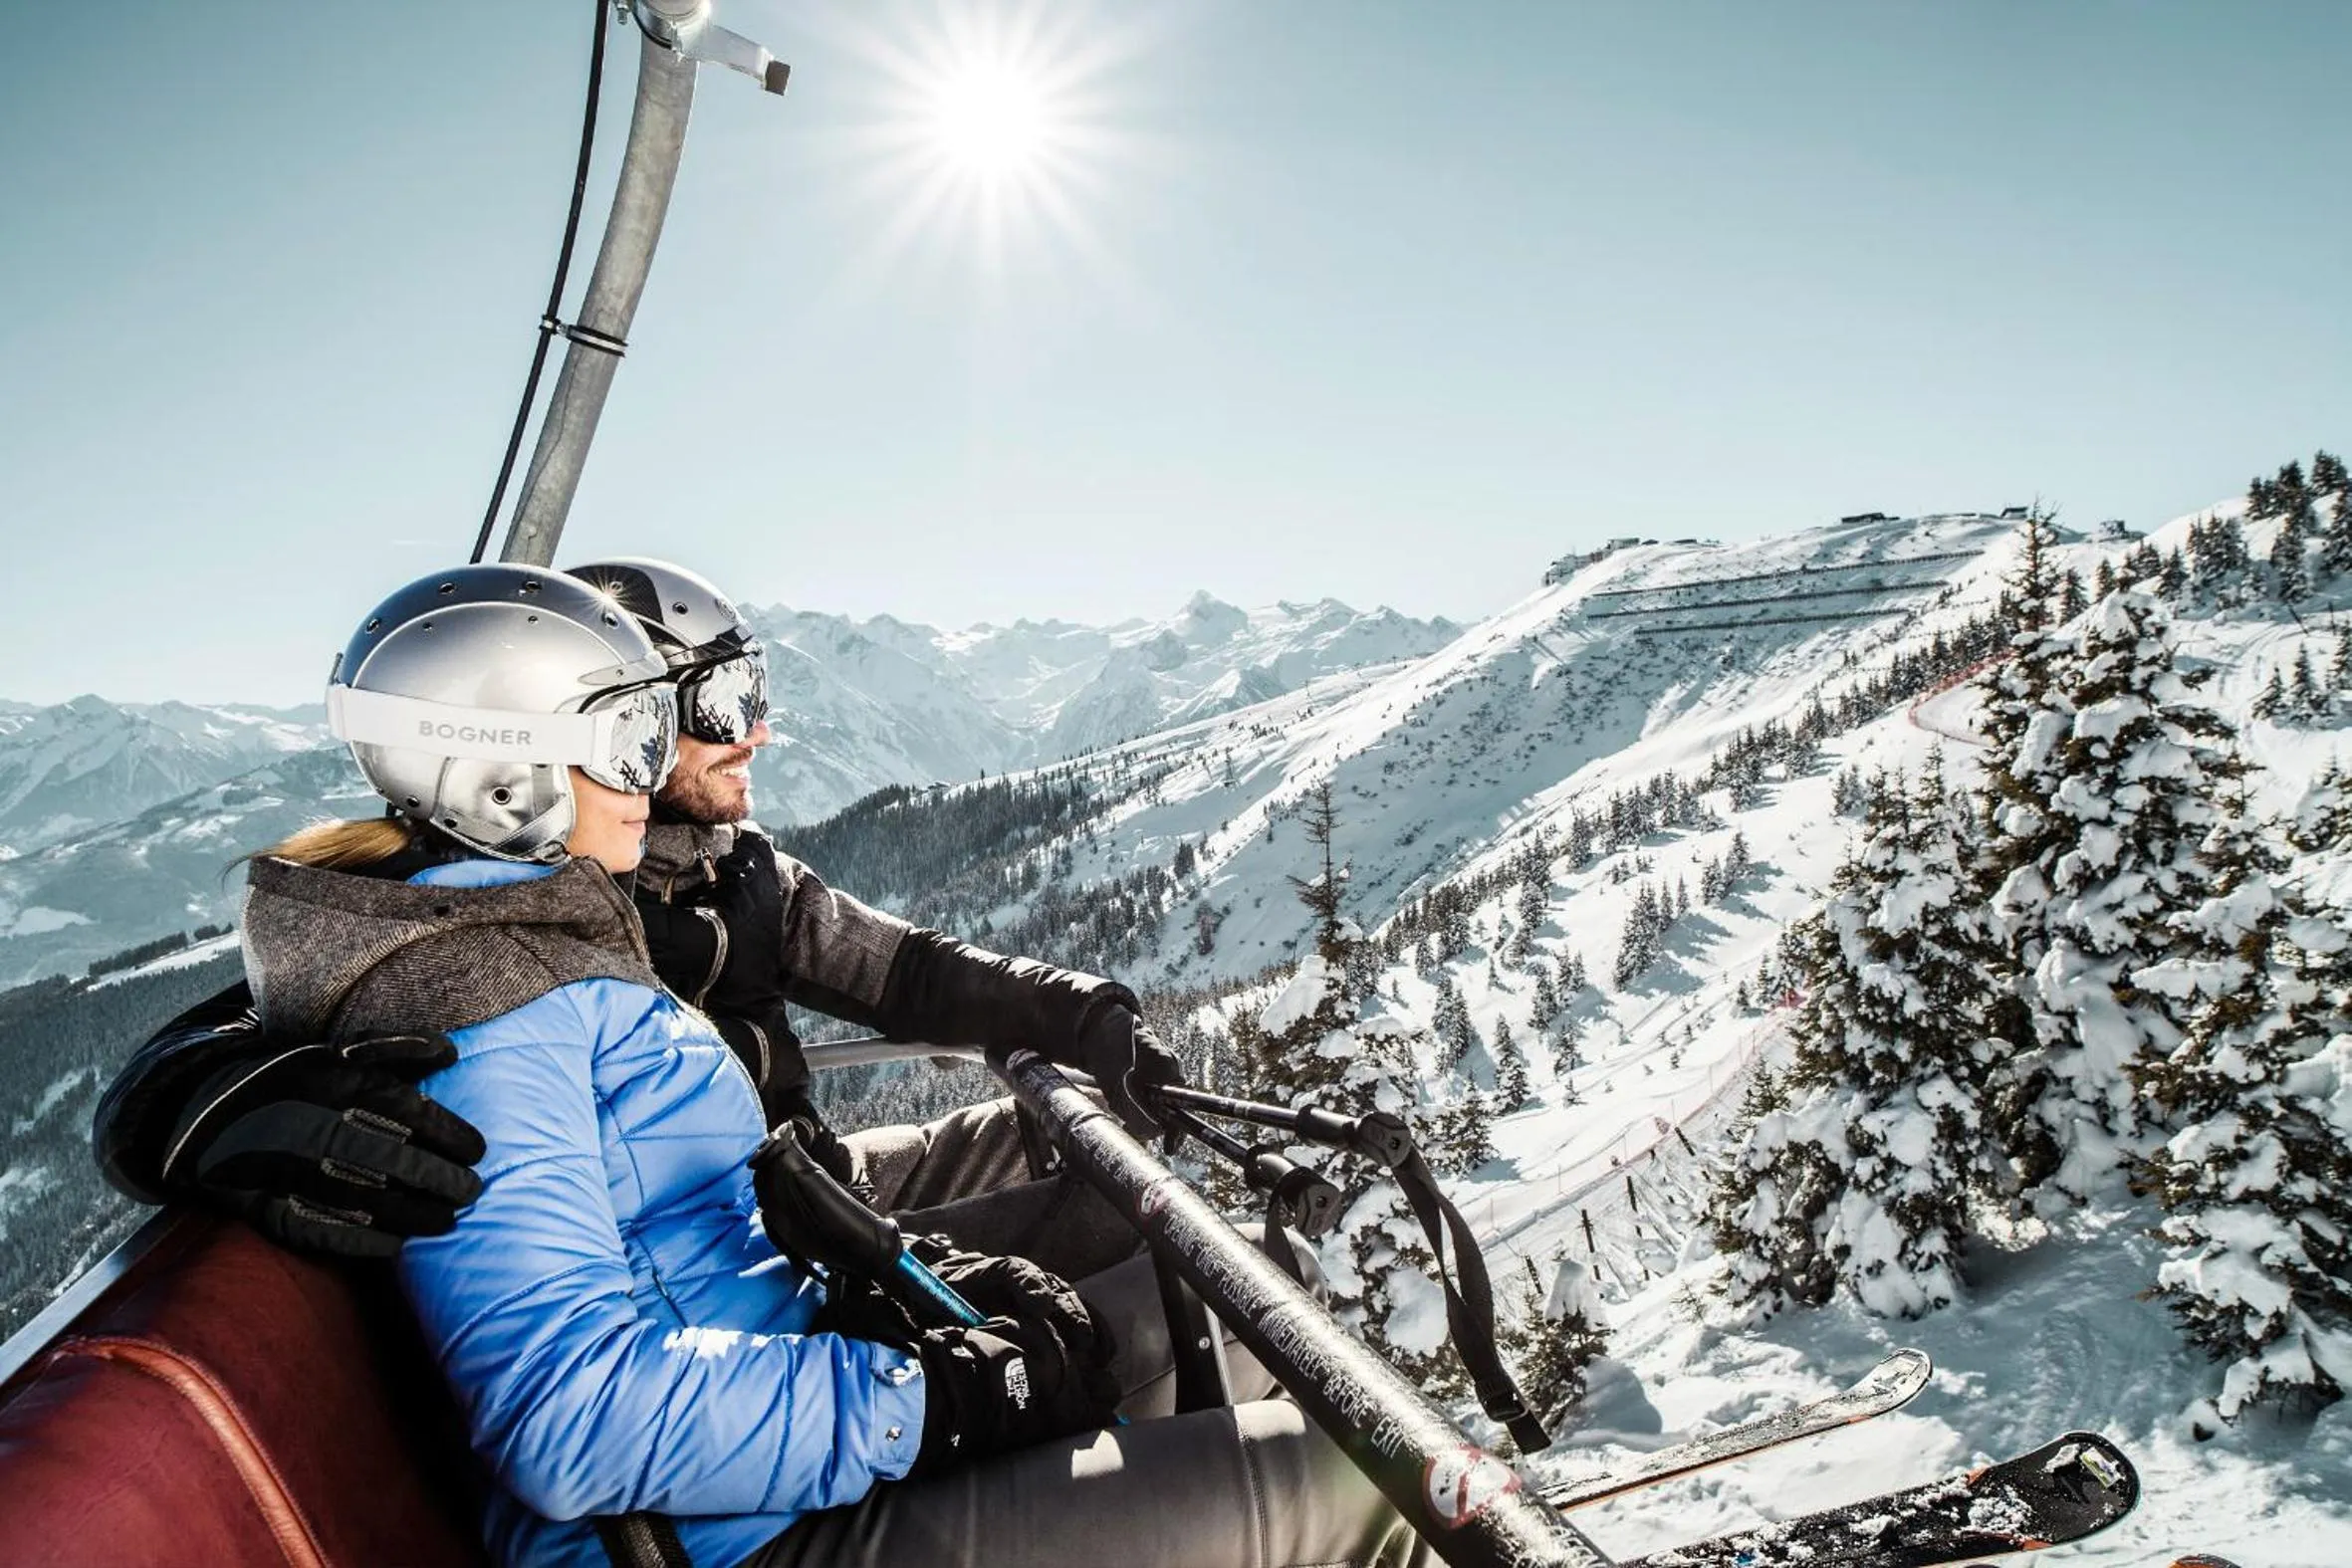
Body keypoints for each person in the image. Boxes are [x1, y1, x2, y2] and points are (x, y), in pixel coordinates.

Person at [234, 563, 1430, 1568]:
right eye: (635, 733)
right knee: (1371, 1480)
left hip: (782, 1404)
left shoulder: (555, 936)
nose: (677, 760)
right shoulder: (489, 1001)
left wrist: (919, 1310)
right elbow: (572, 1416)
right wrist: (931, 1396)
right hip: (716, 1529)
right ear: (508, 776)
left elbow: (890, 973)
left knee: (1187, 1307)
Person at [95, 558, 1180, 1291]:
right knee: (1125, 1226)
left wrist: (1086, 1015)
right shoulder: (511, 894)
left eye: (751, 693)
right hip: (730, 1251)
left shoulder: (741, 871)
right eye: (713, 705)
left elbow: (903, 970)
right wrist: (188, 1107)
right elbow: (285, 994)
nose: (753, 733)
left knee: (1080, 1137)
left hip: (808, 1182)